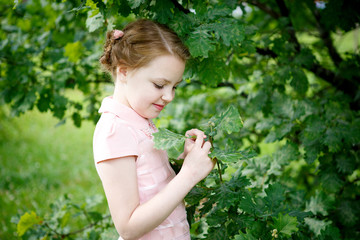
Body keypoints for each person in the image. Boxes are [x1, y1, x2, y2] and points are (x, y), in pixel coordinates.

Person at [93, 19, 216, 240]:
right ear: (124, 72)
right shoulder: (114, 131)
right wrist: (188, 175)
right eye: (160, 85)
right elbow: (128, 227)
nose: (169, 96)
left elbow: (152, 186)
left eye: (174, 86)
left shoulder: (137, 121)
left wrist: (183, 158)